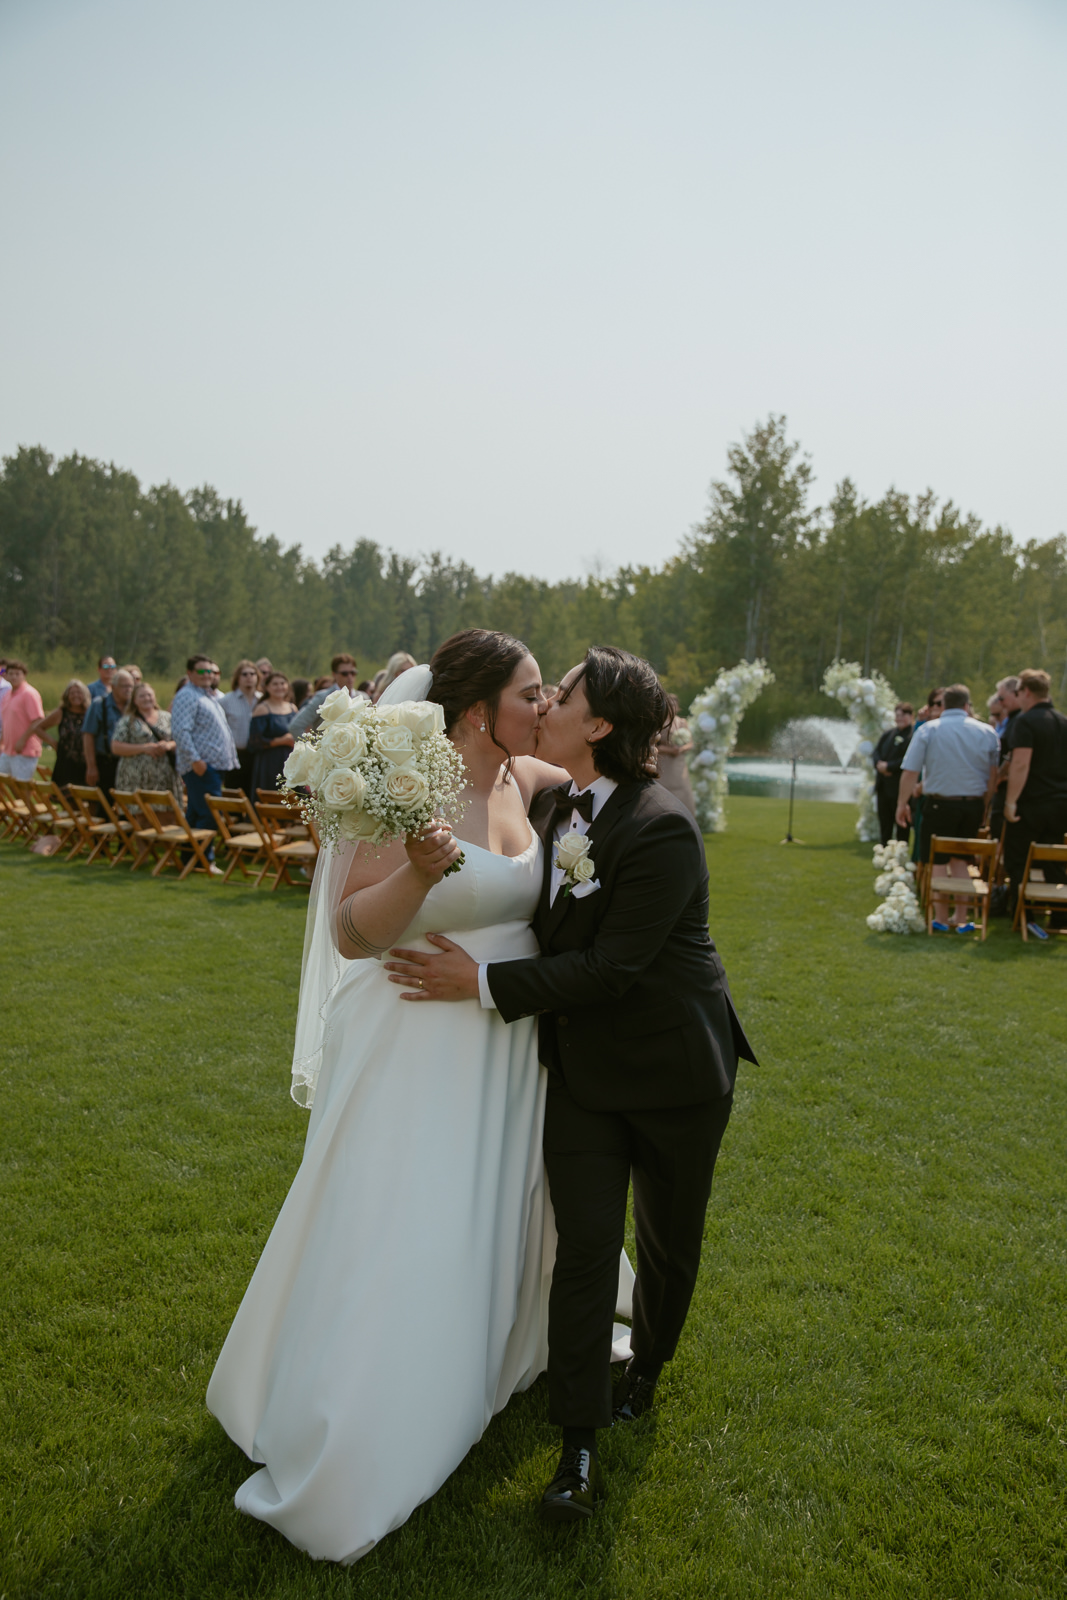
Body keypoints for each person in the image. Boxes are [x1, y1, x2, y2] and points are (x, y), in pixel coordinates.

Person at [207, 629, 633, 1562]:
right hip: (417, 1041)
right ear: (479, 709)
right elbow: (354, 933)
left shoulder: (528, 785)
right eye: (532, 693)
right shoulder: (405, 786)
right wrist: (419, 869)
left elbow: (615, 794)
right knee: (409, 1223)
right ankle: (369, 1417)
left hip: (509, 1044)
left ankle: (493, 1354)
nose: (545, 708)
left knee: (496, 1212)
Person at [387, 645, 757, 1521]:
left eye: (561, 696)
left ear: (596, 726)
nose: (545, 702)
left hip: (675, 1073)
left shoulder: (661, 825)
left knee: (667, 1244)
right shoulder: (554, 800)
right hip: (583, 1075)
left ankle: (650, 1368)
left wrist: (477, 985)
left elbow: (612, 968)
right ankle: (576, 1449)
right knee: (585, 1250)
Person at [896, 683, 999, 931]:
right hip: (972, 804)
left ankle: (941, 916)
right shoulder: (987, 732)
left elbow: (910, 771)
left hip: (939, 804)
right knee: (962, 860)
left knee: (938, 861)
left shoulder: (929, 730)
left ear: (944, 705)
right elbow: (992, 776)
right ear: (966, 705)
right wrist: (985, 805)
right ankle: (961, 917)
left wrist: (902, 803)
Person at [1002, 668, 1067, 937]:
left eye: (1018, 693)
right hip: (1061, 803)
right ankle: (1060, 917)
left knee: (1018, 861)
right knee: (1054, 861)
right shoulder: (1063, 721)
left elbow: (1020, 764)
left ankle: (1024, 916)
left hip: (1031, 804)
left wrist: (1010, 802)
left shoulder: (1026, 722)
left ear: (1026, 692)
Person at [171, 656, 238, 862]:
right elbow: (181, 731)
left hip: (214, 766)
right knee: (209, 814)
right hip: (202, 767)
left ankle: (189, 859)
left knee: (196, 813)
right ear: (190, 673)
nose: (207, 675)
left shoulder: (207, 696)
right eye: (201, 671)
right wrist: (196, 761)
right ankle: (204, 860)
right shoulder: (187, 696)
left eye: (210, 671)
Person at [111, 682, 180, 803]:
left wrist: (168, 745)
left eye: (149, 695)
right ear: (134, 701)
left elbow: (180, 740)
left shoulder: (168, 717)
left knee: (168, 816)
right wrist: (144, 748)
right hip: (135, 778)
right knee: (142, 817)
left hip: (165, 777)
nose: (146, 698)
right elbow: (116, 747)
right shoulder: (127, 721)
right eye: (142, 696)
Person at [27, 679, 92, 791]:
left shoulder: (90, 712)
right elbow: (37, 727)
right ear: (67, 696)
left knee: (88, 798)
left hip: (86, 762)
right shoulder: (62, 712)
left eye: (79, 692)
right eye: (72, 693)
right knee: (67, 799)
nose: (76, 695)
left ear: (85, 695)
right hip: (66, 762)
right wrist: (52, 742)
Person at [81, 668, 135, 796]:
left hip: (129, 763)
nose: (128, 690)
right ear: (113, 687)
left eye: (131, 686)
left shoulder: (134, 707)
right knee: (104, 805)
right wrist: (91, 766)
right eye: (124, 686)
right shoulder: (98, 705)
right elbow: (88, 736)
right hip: (106, 762)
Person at [289, 654, 363, 740]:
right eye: (344, 673)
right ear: (334, 674)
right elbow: (296, 726)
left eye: (353, 673)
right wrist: (314, 749)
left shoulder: (363, 697)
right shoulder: (323, 697)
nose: (350, 677)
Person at [247, 671, 298, 795]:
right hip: (270, 762)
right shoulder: (262, 709)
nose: (279, 687)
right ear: (267, 687)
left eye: (282, 683)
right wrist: (282, 741)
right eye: (275, 684)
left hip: (291, 761)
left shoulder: (292, 708)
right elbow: (254, 743)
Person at [872, 703, 914, 845]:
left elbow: (909, 759)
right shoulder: (888, 734)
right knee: (885, 821)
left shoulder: (912, 736)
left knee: (902, 823)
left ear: (910, 716)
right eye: (897, 715)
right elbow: (876, 752)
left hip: (899, 787)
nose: (899, 718)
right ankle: (884, 849)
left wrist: (889, 766)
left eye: (903, 715)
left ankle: (900, 851)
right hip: (883, 786)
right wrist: (879, 765)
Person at [219, 661, 262, 793]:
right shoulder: (226, 700)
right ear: (238, 678)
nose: (249, 677)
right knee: (234, 794)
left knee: (255, 794)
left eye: (252, 674)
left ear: (257, 677)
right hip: (235, 755)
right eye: (244, 674)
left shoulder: (263, 700)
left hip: (257, 755)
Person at [0, 661, 46, 783]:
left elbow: (37, 721)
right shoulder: (7, 695)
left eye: (17, 674)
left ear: (24, 675)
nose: (14, 677)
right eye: (11, 674)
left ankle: (27, 803)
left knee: (22, 787)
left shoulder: (29, 693)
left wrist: (22, 740)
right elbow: (6, 722)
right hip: (8, 750)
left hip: (25, 750)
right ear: (6, 676)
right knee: (4, 783)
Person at [653, 692, 696, 817]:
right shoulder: (658, 723)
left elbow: (691, 743)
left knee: (682, 790)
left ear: (678, 707)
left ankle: (685, 817)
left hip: (678, 763)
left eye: (674, 704)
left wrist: (681, 749)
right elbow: (654, 746)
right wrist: (668, 750)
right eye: (669, 704)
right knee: (663, 789)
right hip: (663, 761)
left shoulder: (682, 722)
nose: (672, 707)